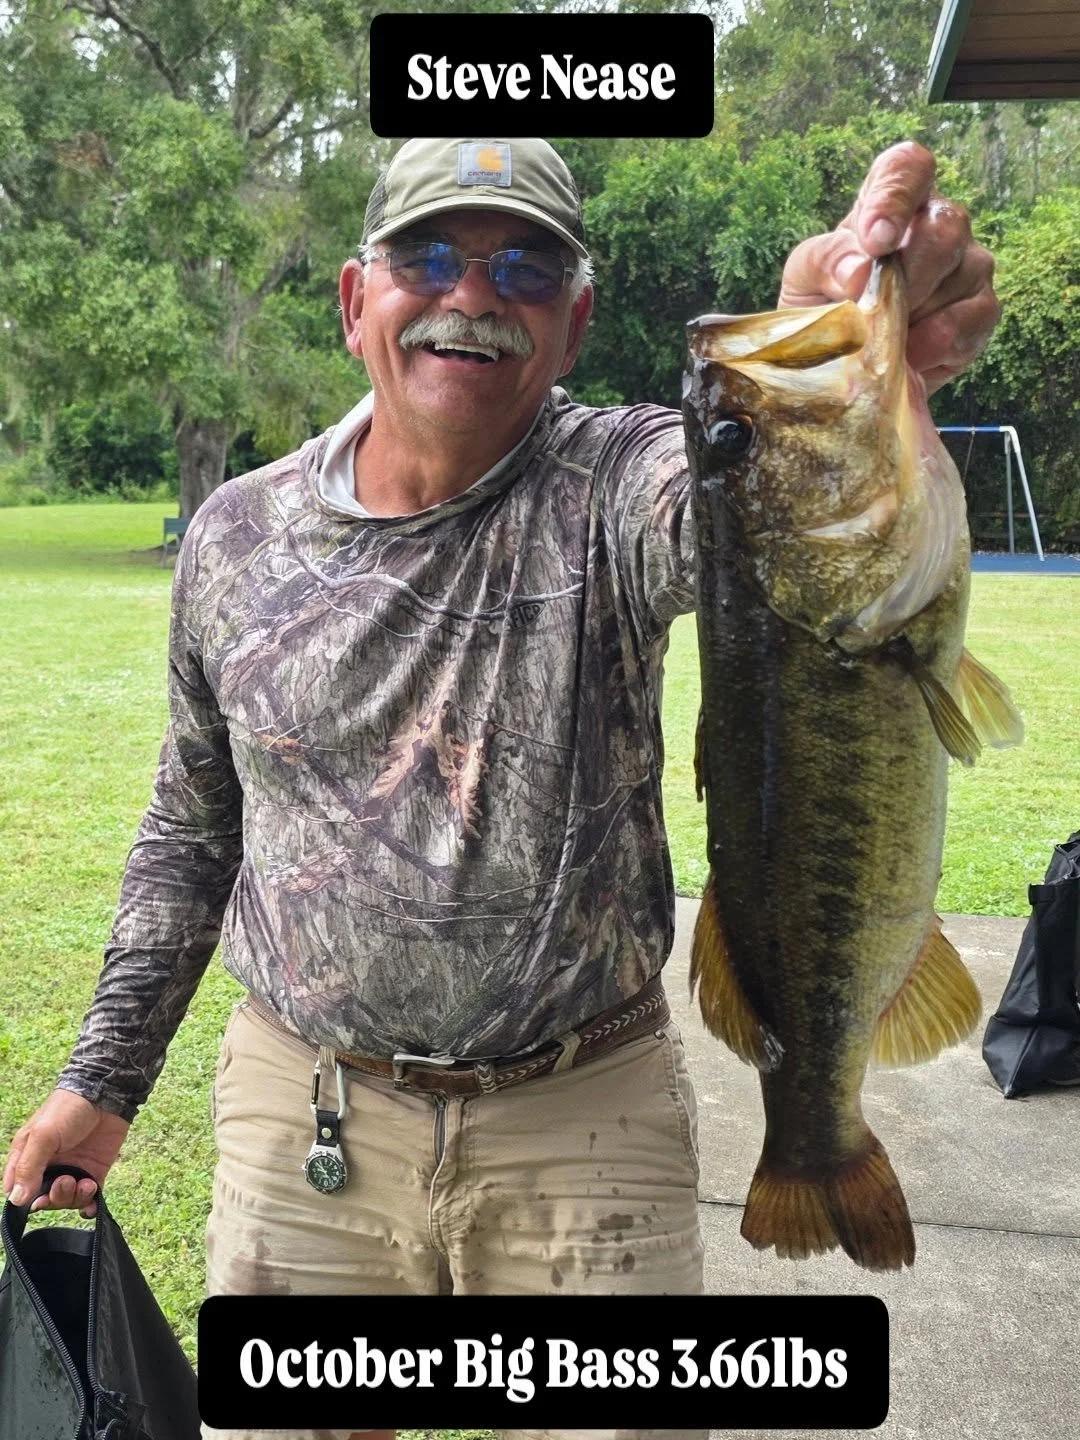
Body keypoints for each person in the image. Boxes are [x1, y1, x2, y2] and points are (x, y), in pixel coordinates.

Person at [3, 136, 997, 1440]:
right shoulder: (239, 536)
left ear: (574, 319)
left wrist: (844, 346)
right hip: (312, 1107)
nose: (474, 294)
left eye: (523, 263)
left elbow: (754, 503)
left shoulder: (618, 482)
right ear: (360, 297)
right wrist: (104, 1076)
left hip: (584, 1107)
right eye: (431, 255)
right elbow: (198, 821)